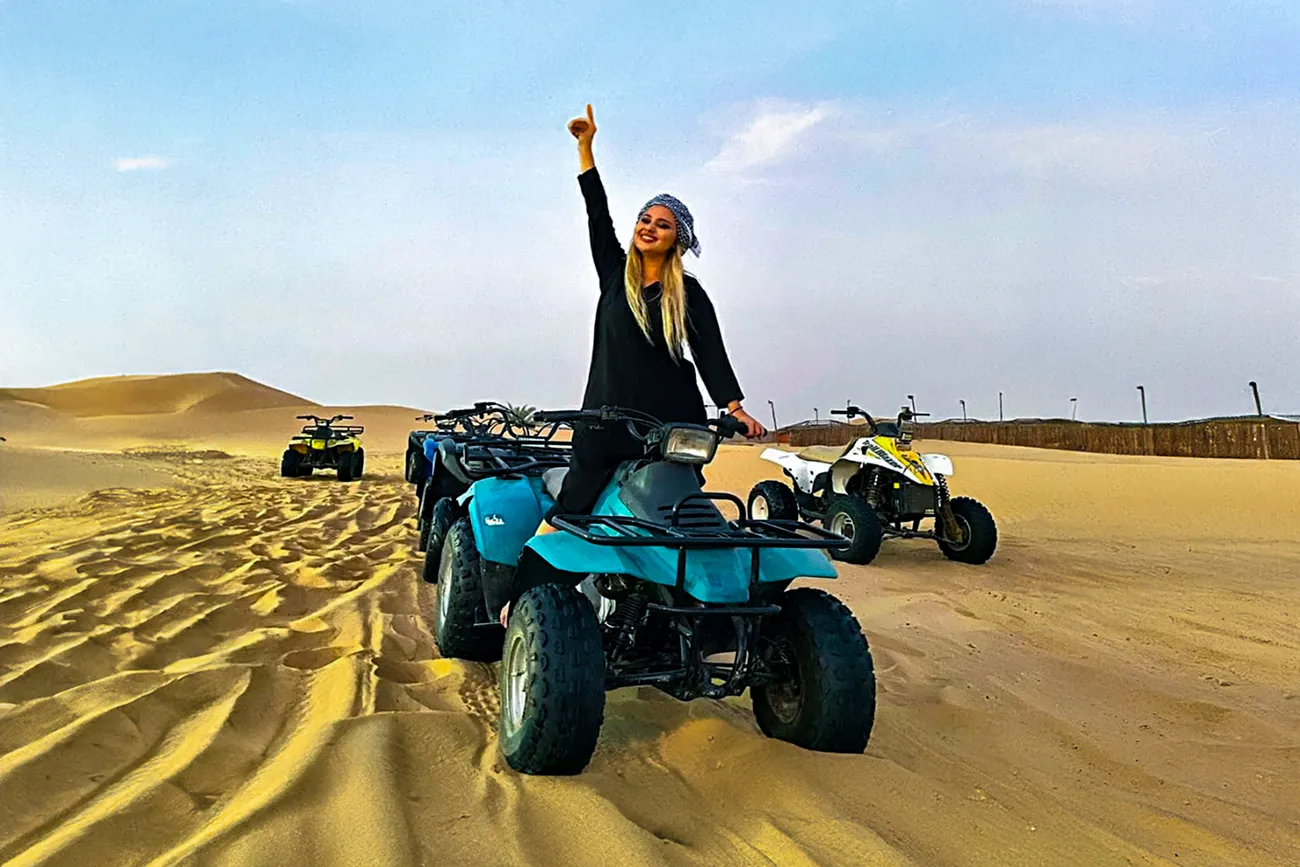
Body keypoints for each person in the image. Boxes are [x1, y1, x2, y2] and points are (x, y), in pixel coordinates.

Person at [546, 103, 766, 526]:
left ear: (676, 239)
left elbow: (710, 353)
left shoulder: (688, 293)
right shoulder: (615, 275)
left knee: (677, 514)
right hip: (605, 421)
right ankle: (533, 563)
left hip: (668, 425)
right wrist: (585, 148)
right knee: (570, 511)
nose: (649, 227)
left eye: (663, 224)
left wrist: (735, 409)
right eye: (645, 219)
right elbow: (597, 214)